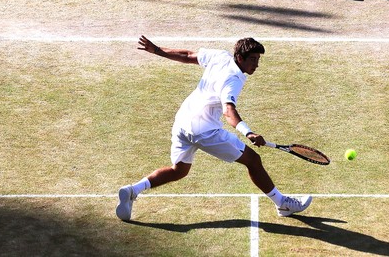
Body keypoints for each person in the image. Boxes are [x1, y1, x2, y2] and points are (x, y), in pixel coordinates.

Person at [115, 35, 312, 221]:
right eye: (252, 59)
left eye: (258, 59)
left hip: (183, 121)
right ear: (239, 58)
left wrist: (158, 50)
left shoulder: (219, 56)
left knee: (179, 170)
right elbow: (228, 110)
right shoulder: (233, 79)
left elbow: (188, 56)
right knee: (253, 160)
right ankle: (282, 204)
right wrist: (248, 132)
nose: (256, 65)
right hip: (205, 130)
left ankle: (133, 190)